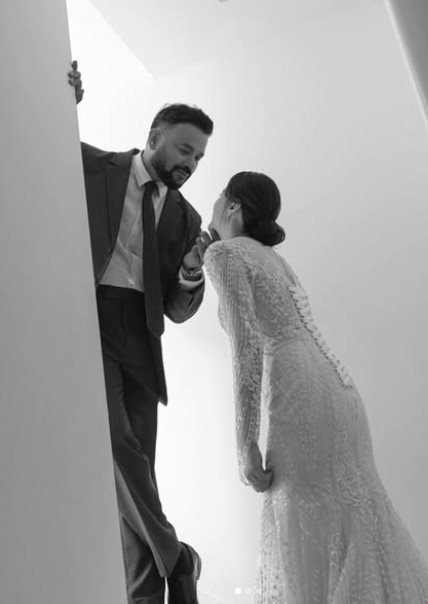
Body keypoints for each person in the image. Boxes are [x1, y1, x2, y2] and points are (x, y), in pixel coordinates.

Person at [203, 171, 428, 603]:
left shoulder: (224, 253)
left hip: (298, 390)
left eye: (219, 196)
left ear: (232, 205)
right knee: (353, 514)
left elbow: (246, 350)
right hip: (339, 389)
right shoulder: (276, 260)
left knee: (301, 515)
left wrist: (245, 444)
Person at [68, 62, 213, 604]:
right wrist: (63, 103)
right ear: (154, 138)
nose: (190, 164)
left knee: (137, 475)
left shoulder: (186, 218)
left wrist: (192, 273)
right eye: (184, 149)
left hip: (142, 336)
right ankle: (179, 559)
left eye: (198, 157)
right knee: (117, 447)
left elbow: (176, 308)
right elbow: (41, 145)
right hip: (91, 319)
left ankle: (147, 594)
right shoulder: (94, 166)